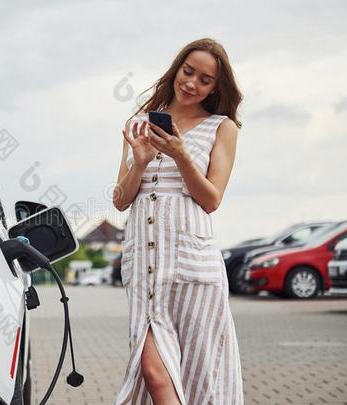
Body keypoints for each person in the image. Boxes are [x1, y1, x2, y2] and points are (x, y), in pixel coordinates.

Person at [112, 38, 244, 405]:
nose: (192, 84)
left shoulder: (222, 127)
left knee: (200, 374)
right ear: (176, 69)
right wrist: (139, 162)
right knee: (154, 373)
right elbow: (120, 201)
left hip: (193, 267)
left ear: (215, 87)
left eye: (205, 80)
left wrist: (181, 154)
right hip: (145, 264)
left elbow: (211, 199)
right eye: (188, 72)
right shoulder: (137, 123)